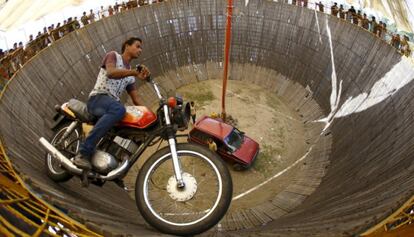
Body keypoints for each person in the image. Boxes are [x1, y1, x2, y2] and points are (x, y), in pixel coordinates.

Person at [73, 37, 150, 171]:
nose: (140, 50)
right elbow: (111, 73)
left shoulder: (131, 76)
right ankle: (83, 153)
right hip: (98, 98)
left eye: (141, 48)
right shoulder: (113, 56)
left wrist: (149, 116)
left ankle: (113, 167)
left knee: (127, 126)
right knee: (119, 110)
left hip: (109, 106)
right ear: (127, 46)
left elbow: (136, 100)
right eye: (137, 46)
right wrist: (133, 72)